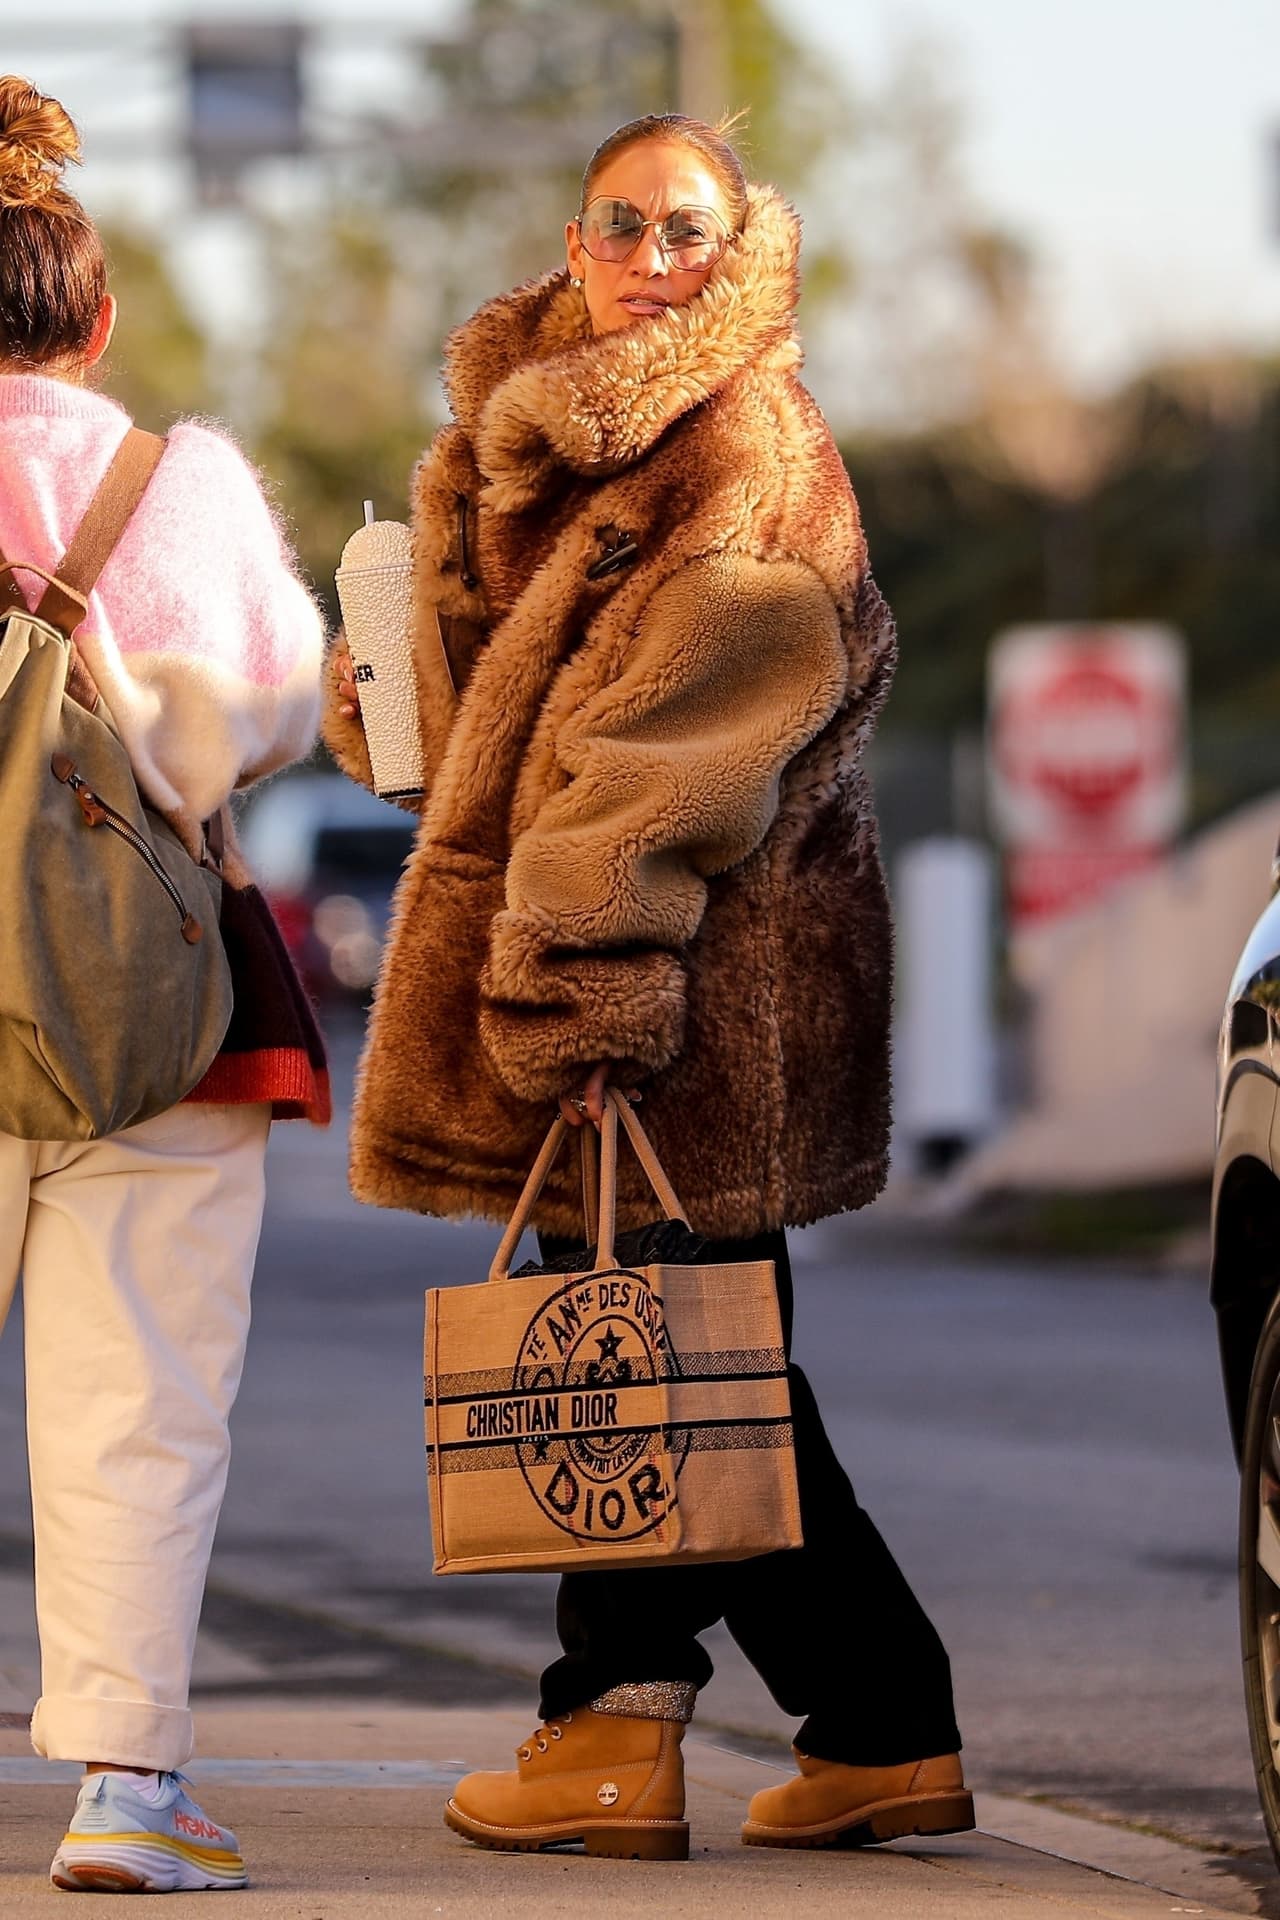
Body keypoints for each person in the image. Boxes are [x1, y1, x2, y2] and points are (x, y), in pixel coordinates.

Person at [327, 111, 971, 1861]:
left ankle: (612, 1734)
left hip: (700, 975)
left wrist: (586, 978)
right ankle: (884, 1726)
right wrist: (389, 680)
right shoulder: (522, 438)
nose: (649, 258)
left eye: (686, 228)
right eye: (622, 224)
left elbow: (684, 744)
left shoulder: (746, 440)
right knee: (691, 1359)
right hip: (610, 959)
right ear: (577, 231)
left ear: (733, 239)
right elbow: (491, 725)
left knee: (635, 1348)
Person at [0, 78, 328, 1892]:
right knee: (138, 1407)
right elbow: (272, 710)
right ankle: (126, 1792)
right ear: (99, 317)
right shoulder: (174, 486)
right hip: (154, 1018)